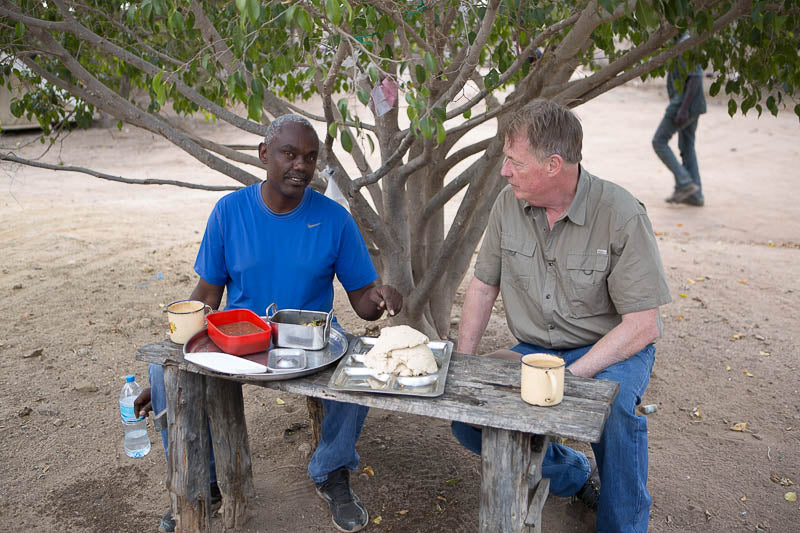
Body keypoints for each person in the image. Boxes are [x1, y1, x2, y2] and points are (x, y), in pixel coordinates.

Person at [134, 114, 403, 533]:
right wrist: (171, 364)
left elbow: (362, 301)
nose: (300, 165)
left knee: (362, 365)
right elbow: (206, 295)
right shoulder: (229, 212)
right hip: (239, 340)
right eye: (289, 154)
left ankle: (330, 470)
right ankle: (204, 483)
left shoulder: (334, 219)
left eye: (309, 158)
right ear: (264, 154)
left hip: (310, 341)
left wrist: (380, 298)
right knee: (159, 370)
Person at [452, 99, 671, 532]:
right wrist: (464, 364)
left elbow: (644, 325)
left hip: (611, 350)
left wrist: (574, 377)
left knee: (615, 412)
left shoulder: (621, 214)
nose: (504, 171)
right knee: (468, 418)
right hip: (534, 349)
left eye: (514, 162)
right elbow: (483, 286)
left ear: (554, 165)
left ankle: (623, 524)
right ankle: (573, 476)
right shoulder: (507, 204)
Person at [652, 45, 707, 207]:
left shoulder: (686, 43)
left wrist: (683, 109)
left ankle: (685, 183)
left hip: (683, 107)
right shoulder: (680, 42)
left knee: (659, 141)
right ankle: (695, 196)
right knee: (687, 146)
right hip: (692, 106)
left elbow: (696, 77)